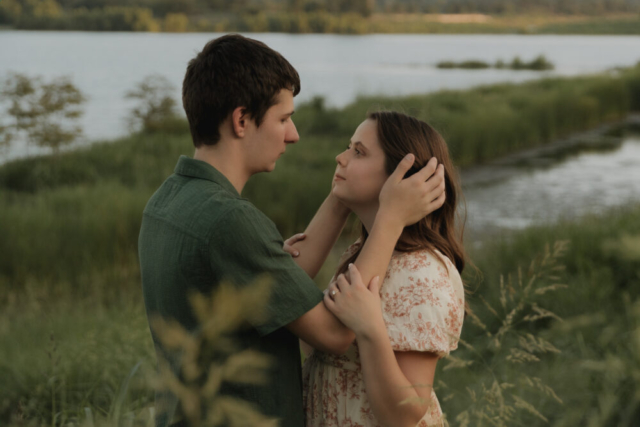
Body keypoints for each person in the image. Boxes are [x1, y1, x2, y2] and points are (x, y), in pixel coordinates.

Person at [138, 34, 447, 427]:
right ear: (241, 120)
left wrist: (342, 195)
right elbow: (335, 333)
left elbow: (277, 287)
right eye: (283, 119)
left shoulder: (165, 202)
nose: (293, 134)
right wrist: (390, 217)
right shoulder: (229, 220)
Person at [298, 112, 467, 427]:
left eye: (358, 152)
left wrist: (370, 329)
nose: (341, 157)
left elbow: (404, 414)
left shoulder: (420, 271)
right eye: (349, 147)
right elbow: (317, 346)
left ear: (400, 178)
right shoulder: (361, 254)